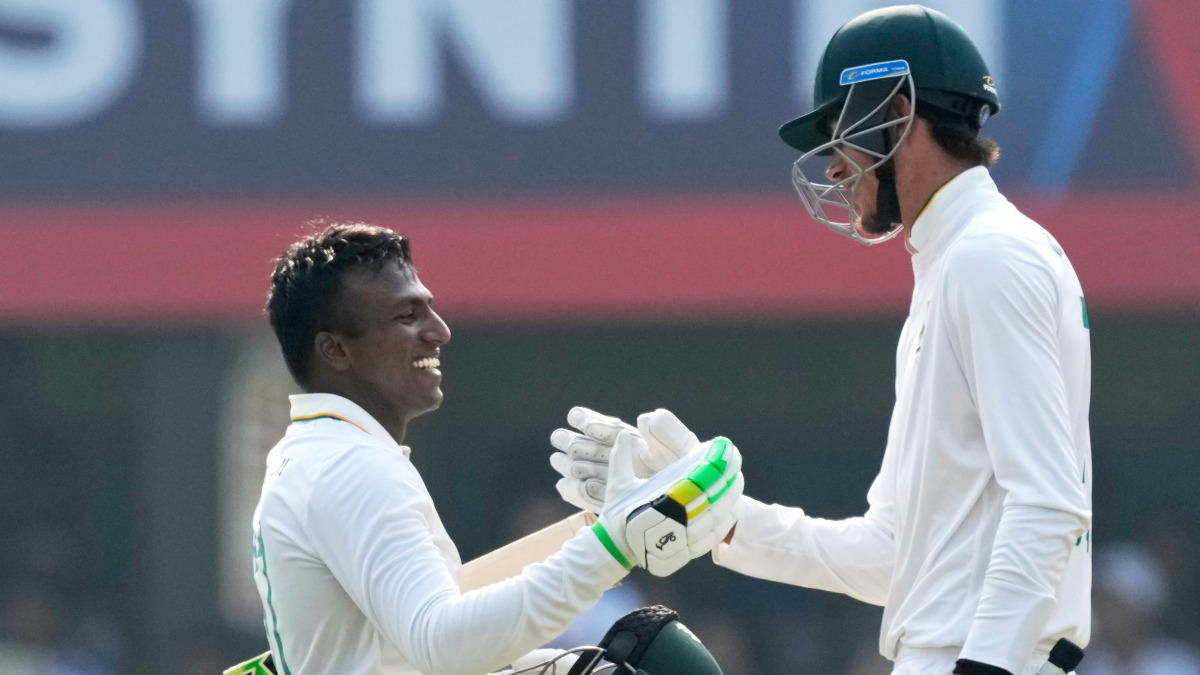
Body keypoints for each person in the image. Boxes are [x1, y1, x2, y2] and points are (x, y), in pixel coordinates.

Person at [549, 6, 1091, 675]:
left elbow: (1048, 502)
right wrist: (716, 514)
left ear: (895, 112)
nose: (835, 170)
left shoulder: (987, 258)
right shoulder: (958, 263)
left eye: (841, 137)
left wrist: (984, 669)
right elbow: (890, 553)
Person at [251, 222, 743, 675]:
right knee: (667, 661)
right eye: (407, 315)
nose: (439, 330)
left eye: (429, 307)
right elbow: (441, 643)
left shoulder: (318, 454)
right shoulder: (351, 466)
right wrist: (612, 545)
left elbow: (409, 642)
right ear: (336, 350)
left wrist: (597, 530)